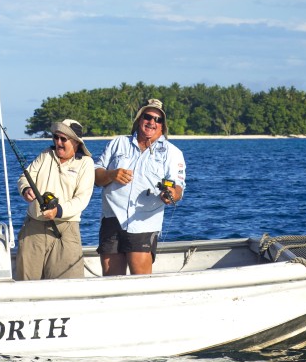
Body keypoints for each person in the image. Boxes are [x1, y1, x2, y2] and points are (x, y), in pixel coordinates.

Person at [94, 98, 186, 276]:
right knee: (111, 281)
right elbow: (96, 176)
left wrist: (171, 194)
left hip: (144, 223)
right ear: (139, 119)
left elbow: (178, 188)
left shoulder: (173, 153)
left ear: (162, 126)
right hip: (111, 218)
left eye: (158, 120)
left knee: (141, 282)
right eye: (148, 117)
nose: (152, 122)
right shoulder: (117, 143)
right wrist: (111, 174)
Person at [15, 119, 95, 280]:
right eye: (55, 137)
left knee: (67, 286)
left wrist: (58, 210)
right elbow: (25, 177)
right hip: (33, 227)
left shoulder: (86, 163)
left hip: (66, 229)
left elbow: (81, 200)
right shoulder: (45, 155)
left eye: (63, 139)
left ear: (76, 142)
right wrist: (26, 189)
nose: (58, 142)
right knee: (26, 284)